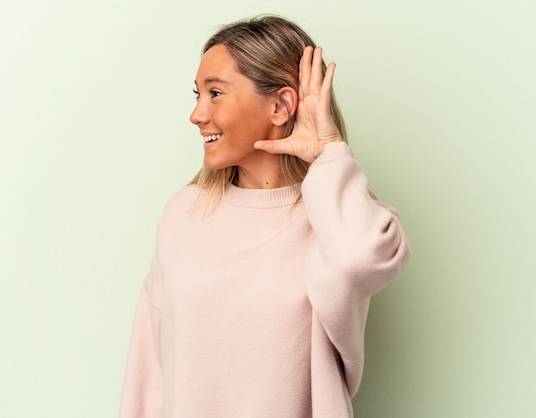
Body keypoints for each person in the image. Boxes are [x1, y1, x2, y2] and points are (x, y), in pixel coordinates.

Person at [119, 15, 411, 418]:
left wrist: (328, 152)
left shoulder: (335, 215)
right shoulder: (183, 214)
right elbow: (149, 371)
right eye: (197, 94)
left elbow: (359, 260)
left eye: (215, 93)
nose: (196, 114)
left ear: (280, 105)